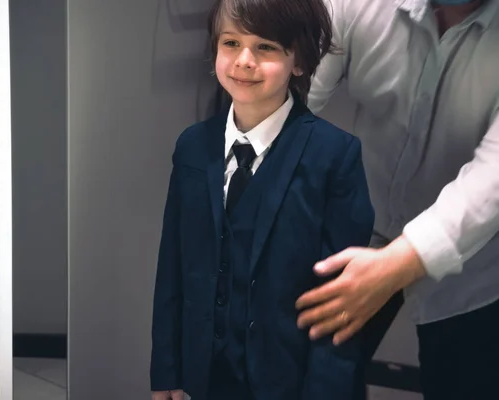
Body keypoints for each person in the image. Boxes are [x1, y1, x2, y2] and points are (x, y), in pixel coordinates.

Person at [149, 0, 376, 399]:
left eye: (266, 47)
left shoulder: (334, 156)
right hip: (205, 381)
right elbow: (173, 266)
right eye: (231, 43)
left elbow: (344, 304)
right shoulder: (192, 148)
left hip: (291, 381)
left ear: (300, 60)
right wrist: (167, 371)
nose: (244, 60)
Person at [296, 0, 499, 399]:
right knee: (307, 380)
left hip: (476, 264)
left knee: (464, 383)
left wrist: (399, 263)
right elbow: (293, 94)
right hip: (360, 226)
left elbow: (492, 178)